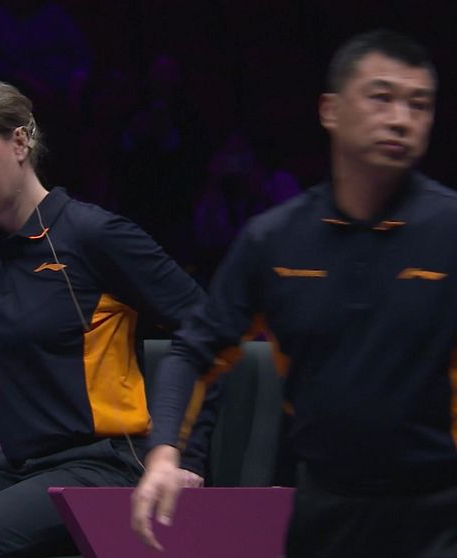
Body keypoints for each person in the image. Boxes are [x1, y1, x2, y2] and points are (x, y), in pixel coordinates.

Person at [131, 29, 457, 558]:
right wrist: (165, 454)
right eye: (381, 97)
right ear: (331, 110)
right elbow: (195, 351)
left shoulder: (450, 229)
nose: (401, 119)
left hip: (440, 512)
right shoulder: (276, 239)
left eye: (419, 105)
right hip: (324, 509)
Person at [0, 76, 217, 557]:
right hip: (23, 470)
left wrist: (184, 455)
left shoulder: (93, 235)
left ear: (19, 142)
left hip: (105, 466)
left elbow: (208, 333)